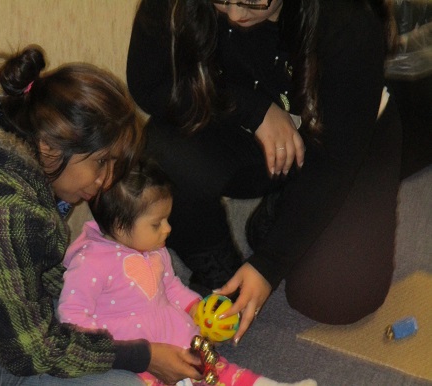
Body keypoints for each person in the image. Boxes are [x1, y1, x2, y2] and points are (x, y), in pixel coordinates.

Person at [0, 45, 203, 385]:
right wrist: (143, 355)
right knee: (123, 381)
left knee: (94, 305)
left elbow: (36, 269)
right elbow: (33, 351)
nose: (107, 181)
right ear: (50, 145)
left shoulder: (4, 130)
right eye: (101, 163)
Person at [126, 0, 402, 342]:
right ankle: (220, 264)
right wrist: (253, 110)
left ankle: (280, 211)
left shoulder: (346, 19)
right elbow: (149, 83)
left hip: (343, 141)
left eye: (251, 3)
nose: (236, 16)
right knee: (160, 153)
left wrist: (269, 263)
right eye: (221, 2)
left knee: (334, 300)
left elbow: (335, 163)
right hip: (250, 127)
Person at [58, 157, 317, 386]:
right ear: (119, 226)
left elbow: (170, 286)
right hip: (138, 357)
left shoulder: (154, 249)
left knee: (220, 371)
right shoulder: (91, 263)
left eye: (167, 219)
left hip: (176, 335)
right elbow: (72, 316)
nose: (168, 229)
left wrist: (196, 308)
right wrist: (114, 351)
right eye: (157, 223)